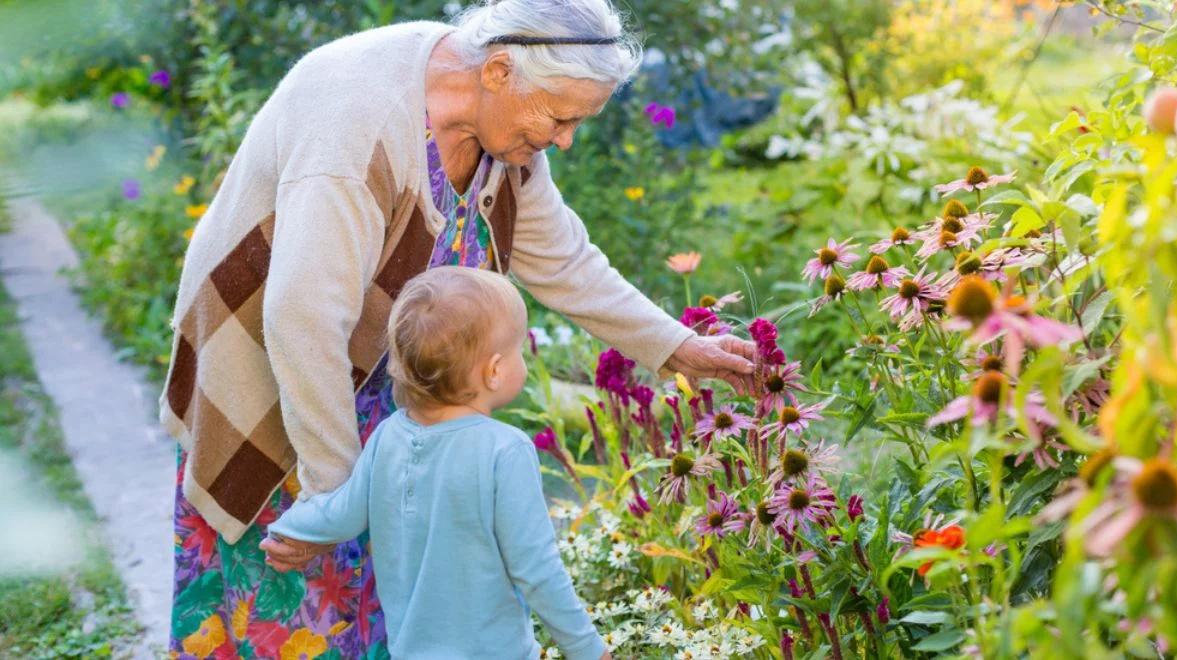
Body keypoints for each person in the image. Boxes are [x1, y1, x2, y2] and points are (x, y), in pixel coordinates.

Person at [161, 0, 754, 655]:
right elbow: (301, 323)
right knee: (302, 608)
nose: (564, 140)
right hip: (282, 373)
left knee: (394, 606)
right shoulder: (357, 121)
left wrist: (678, 346)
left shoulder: (501, 126)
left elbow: (563, 260)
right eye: (561, 118)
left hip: (394, 382)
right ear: (499, 71)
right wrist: (344, 501)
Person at [264, 267, 609, 659]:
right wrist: (588, 649)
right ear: (494, 371)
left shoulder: (388, 437)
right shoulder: (505, 451)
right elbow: (537, 569)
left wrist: (287, 529)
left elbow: (341, 514)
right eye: (518, 349)